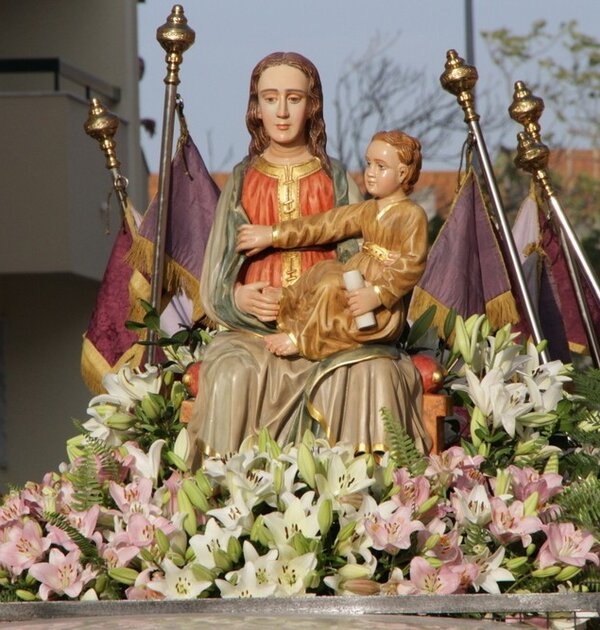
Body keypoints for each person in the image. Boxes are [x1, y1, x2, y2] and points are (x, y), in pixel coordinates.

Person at [187, 52, 431, 464]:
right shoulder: (242, 180)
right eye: (270, 98)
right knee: (233, 374)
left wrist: (357, 302)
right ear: (256, 107)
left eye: (294, 98)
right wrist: (240, 297)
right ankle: (229, 488)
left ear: (312, 106)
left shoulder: (336, 178)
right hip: (254, 333)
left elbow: (367, 258)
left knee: (373, 371)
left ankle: (366, 489)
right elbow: (217, 276)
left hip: (331, 330)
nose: (282, 112)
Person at [236, 130, 428, 361]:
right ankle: (287, 300)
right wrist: (273, 234)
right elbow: (325, 224)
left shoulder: (412, 214)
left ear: (402, 173)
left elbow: (412, 264)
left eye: (381, 166)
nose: (370, 173)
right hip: (356, 276)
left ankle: (301, 339)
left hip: (377, 306)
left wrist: (377, 294)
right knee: (323, 270)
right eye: (369, 164)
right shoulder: (368, 209)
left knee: (330, 287)